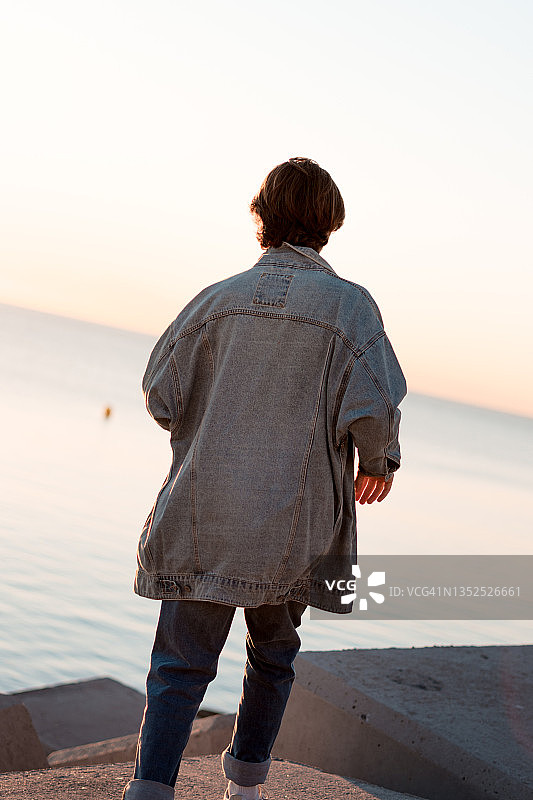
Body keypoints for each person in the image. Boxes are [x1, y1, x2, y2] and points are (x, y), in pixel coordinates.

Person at [122, 157, 407, 800]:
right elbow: (375, 403)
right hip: (294, 516)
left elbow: (160, 394)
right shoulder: (350, 307)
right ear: (330, 224)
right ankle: (246, 784)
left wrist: (216, 426)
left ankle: (151, 787)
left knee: (178, 663)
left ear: (262, 217)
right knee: (273, 654)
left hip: (206, 508)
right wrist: (377, 462)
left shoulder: (214, 299)